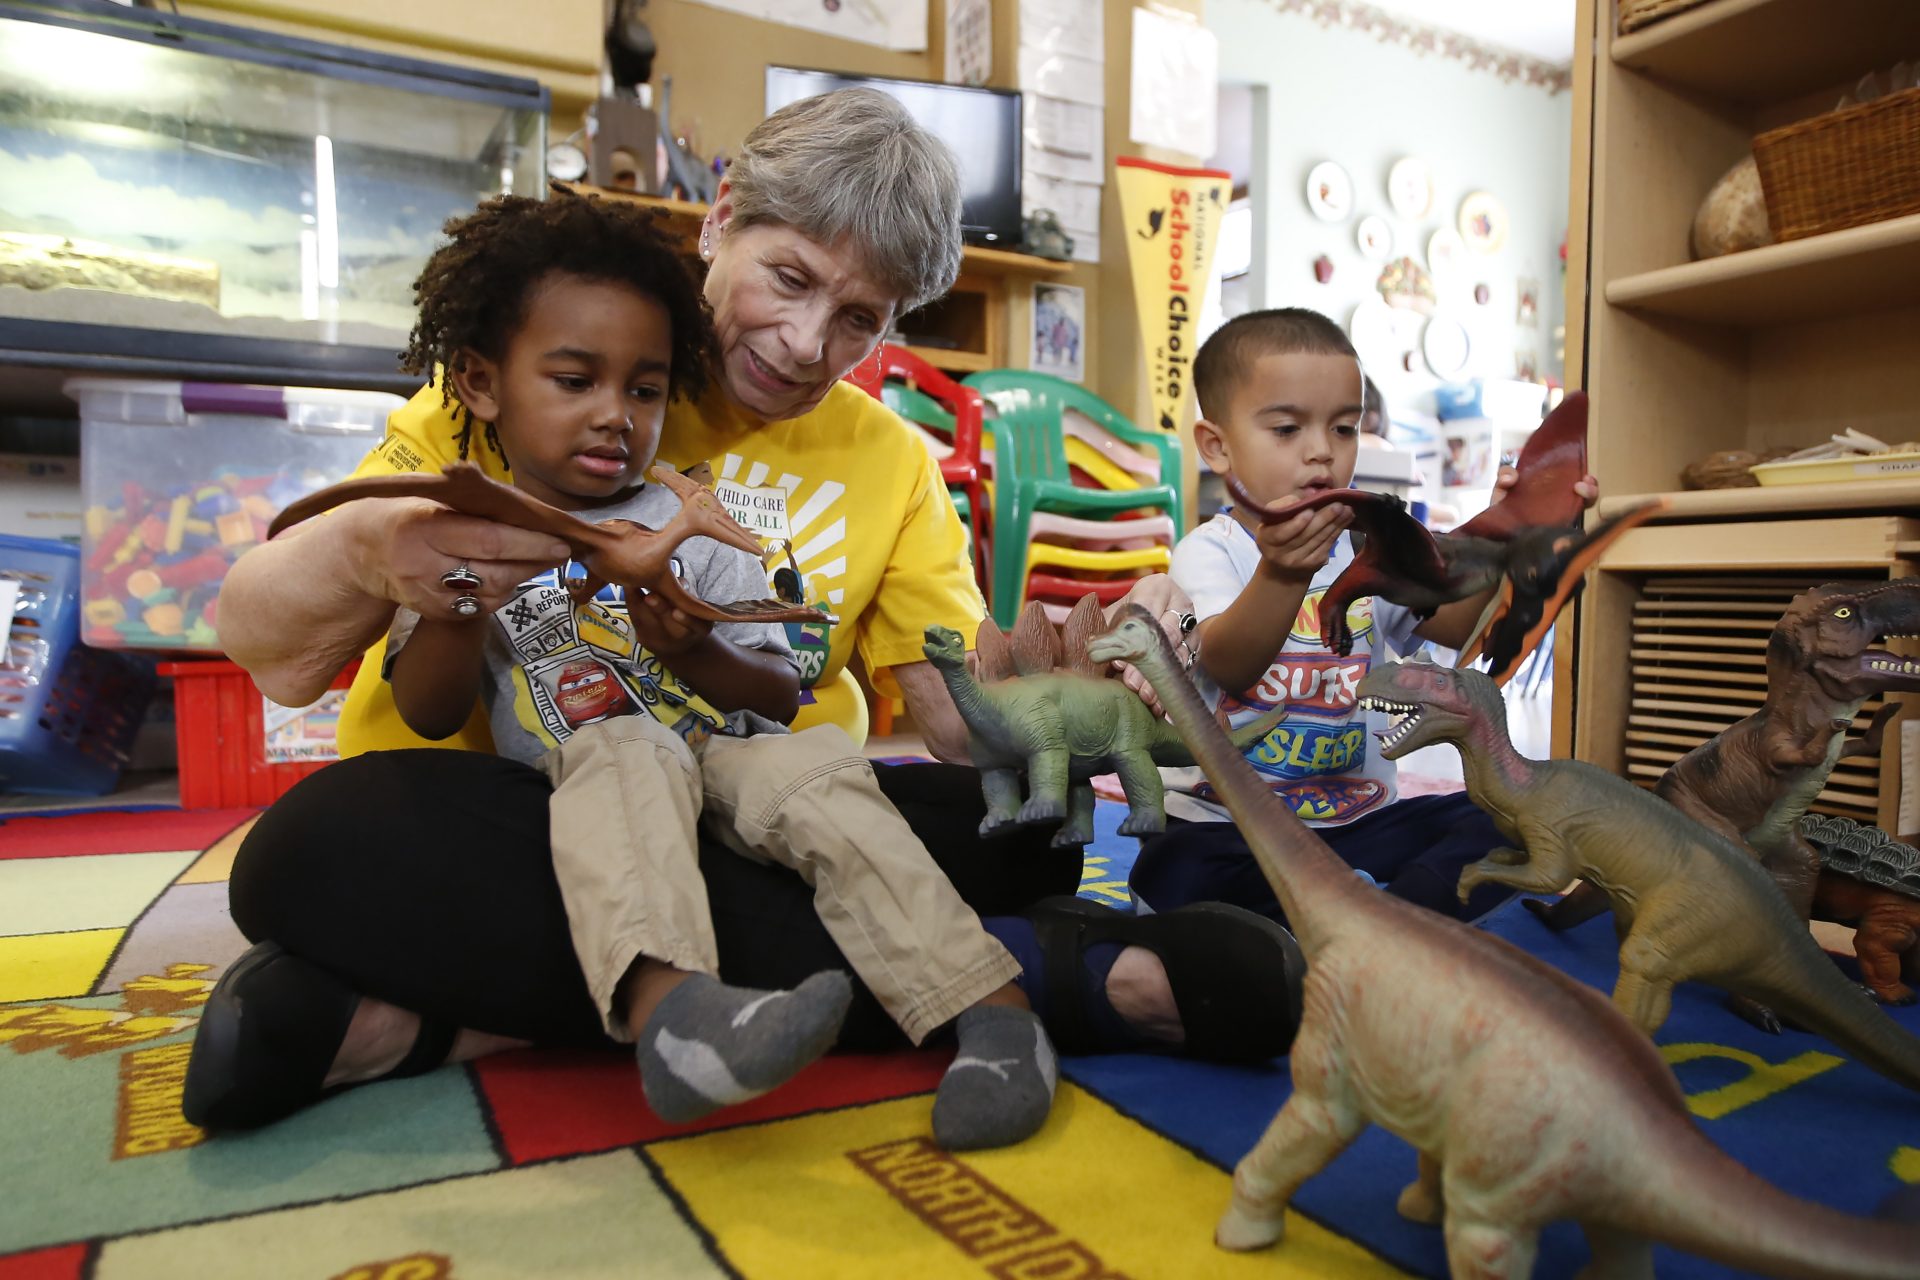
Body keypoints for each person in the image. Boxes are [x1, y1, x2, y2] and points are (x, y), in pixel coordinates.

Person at [185, 90, 1300, 1134]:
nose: (810, 343)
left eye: (858, 317)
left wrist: (1063, 697)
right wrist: (382, 544)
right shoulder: (543, 377)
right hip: (508, 810)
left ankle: (425, 1016)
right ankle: (1066, 980)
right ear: (721, 219)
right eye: (788, 276)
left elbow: (954, 721)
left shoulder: (891, 465)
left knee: (1024, 828)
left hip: (773, 809)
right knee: (317, 843)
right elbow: (266, 644)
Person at [370, 192, 1059, 1147]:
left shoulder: (690, 516)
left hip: (729, 753)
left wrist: (696, 646)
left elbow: (779, 693)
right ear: (483, 385)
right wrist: (456, 605)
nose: (615, 417)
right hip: (570, 788)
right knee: (621, 750)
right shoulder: (466, 531)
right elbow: (429, 711)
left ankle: (994, 1014)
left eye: (645, 394)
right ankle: (679, 1018)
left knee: (821, 774)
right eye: (575, 382)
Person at [1129, 308, 1596, 923]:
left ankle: (1381, 923)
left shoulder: (1368, 549)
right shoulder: (1209, 553)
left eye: (1344, 429)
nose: (1321, 452)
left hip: (1354, 826)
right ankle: (1362, 925)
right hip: (1231, 833)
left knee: (1508, 820)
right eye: (1288, 429)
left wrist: (1503, 542)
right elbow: (1230, 663)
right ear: (1218, 445)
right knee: (1174, 869)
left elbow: (1454, 628)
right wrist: (1284, 574)